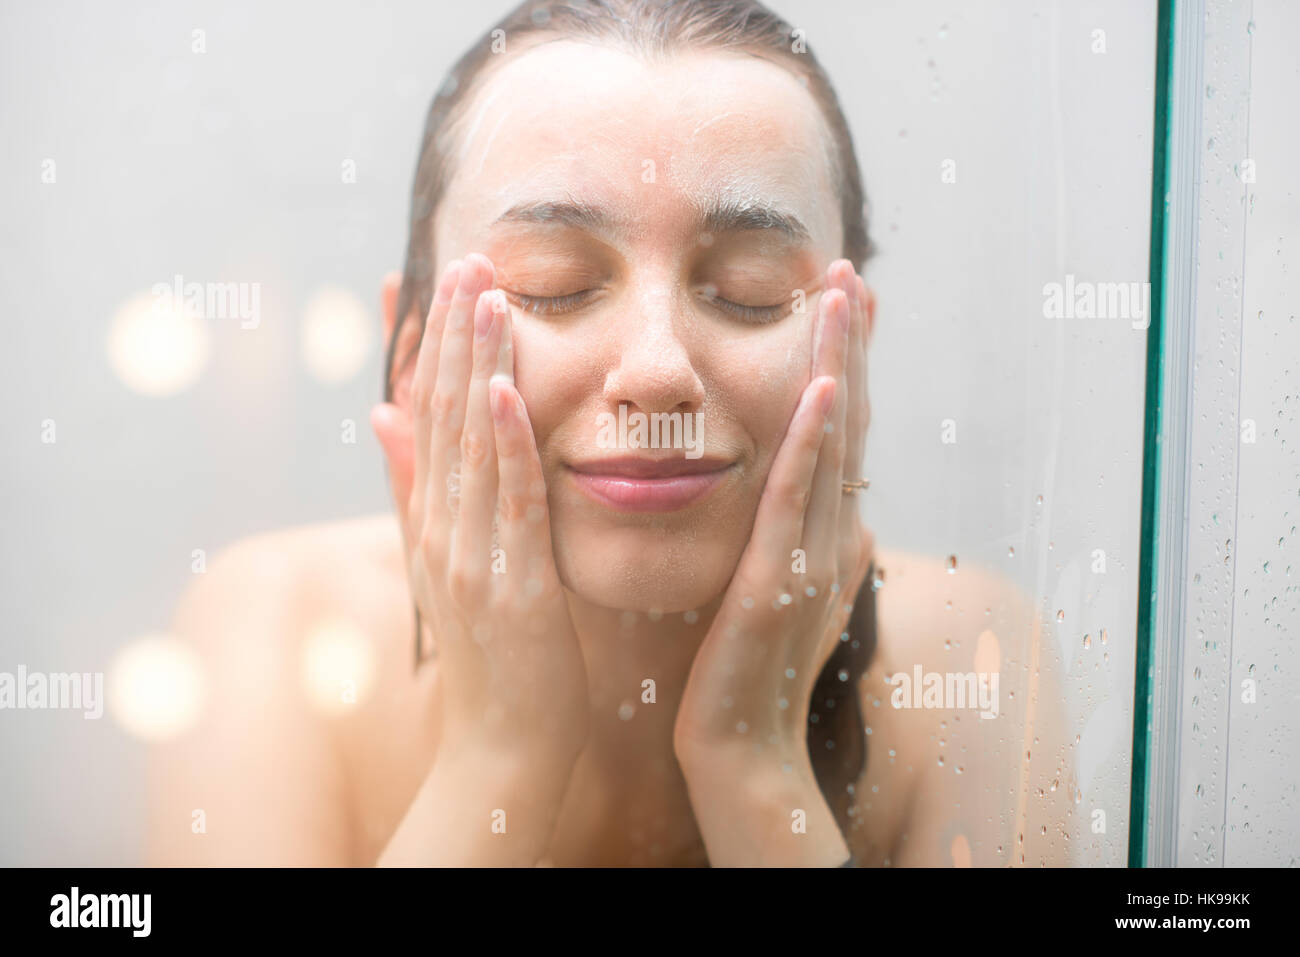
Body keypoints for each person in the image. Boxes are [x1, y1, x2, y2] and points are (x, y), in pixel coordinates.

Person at [146, 0, 1072, 867]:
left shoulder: (965, 664)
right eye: (553, 283)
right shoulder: (279, 633)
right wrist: (500, 751)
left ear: (854, 349)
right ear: (412, 350)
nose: (658, 368)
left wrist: (755, 766)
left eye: (750, 289)